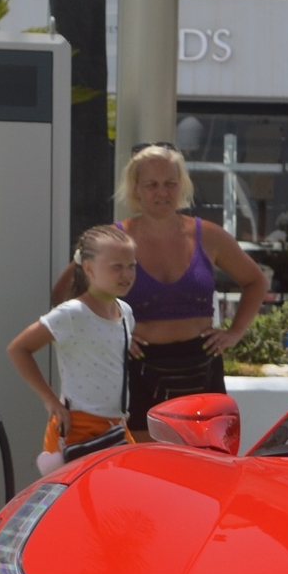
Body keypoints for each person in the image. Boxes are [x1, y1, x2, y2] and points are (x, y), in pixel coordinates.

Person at [50, 142, 270, 438]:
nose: (162, 192)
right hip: (138, 369)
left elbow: (255, 281)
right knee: (143, 469)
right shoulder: (113, 238)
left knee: (205, 471)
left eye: (170, 183)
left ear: (182, 187)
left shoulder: (209, 235)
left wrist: (234, 332)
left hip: (202, 365)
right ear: (136, 189)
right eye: (152, 184)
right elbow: (63, 295)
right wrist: (111, 334)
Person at [12, 225, 137, 474]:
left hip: (116, 428)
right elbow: (18, 349)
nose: (126, 274)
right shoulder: (72, 314)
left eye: (131, 265)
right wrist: (50, 401)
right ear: (88, 268)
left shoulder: (125, 312)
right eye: (116, 266)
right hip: (78, 429)